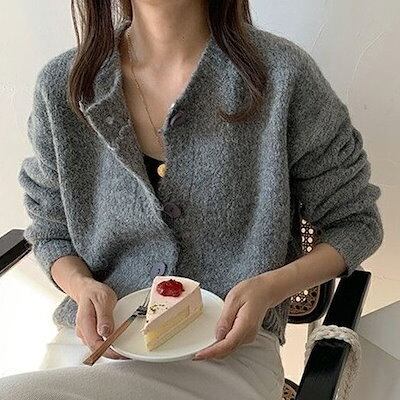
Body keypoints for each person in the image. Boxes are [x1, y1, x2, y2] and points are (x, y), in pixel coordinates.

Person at [0, 0, 383, 399]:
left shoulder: (283, 76)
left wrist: (269, 288)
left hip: (227, 350)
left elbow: (355, 222)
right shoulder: (64, 87)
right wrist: (81, 287)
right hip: (97, 345)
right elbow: (51, 231)